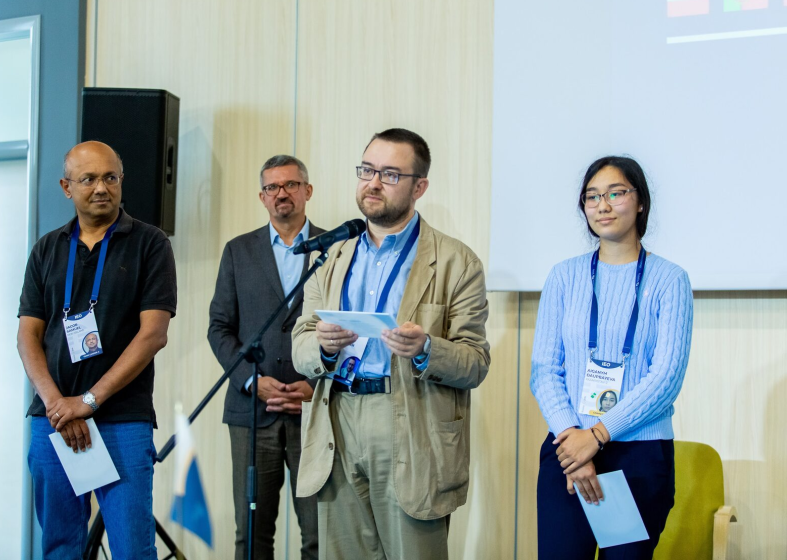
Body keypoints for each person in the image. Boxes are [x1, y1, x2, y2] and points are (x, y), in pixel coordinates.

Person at [291, 128, 490, 560]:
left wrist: (427, 348)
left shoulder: (456, 261)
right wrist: (323, 348)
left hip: (410, 419)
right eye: (366, 170)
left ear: (420, 187)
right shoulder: (331, 256)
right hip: (337, 418)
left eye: (390, 174)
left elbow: (475, 361)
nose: (373, 183)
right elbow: (300, 343)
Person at [17, 141, 177, 559]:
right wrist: (58, 404)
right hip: (53, 421)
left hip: (121, 421)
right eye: (88, 179)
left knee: (132, 550)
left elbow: (153, 335)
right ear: (66, 187)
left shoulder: (150, 244)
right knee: (59, 548)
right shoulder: (47, 248)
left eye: (110, 177)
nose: (101, 187)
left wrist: (87, 402)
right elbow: (27, 336)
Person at [530, 156, 693, 559]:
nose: (602, 205)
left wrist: (598, 436)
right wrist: (575, 440)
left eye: (616, 193)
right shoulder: (563, 277)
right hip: (567, 448)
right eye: (592, 196)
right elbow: (544, 370)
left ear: (640, 202)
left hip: (637, 455)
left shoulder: (669, 279)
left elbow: (665, 377)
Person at [208, 155, 322, 559]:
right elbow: (219, 327)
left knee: (320, 535)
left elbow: (349, 328)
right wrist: (250, 380)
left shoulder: (337, 248)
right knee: (252, 536)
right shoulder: (238, 251)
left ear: (308, 191)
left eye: (291, 184)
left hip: (316, 413)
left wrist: (316, 384)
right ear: (262, 197)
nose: (281, 193)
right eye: (272, 187)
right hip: (252, 415)